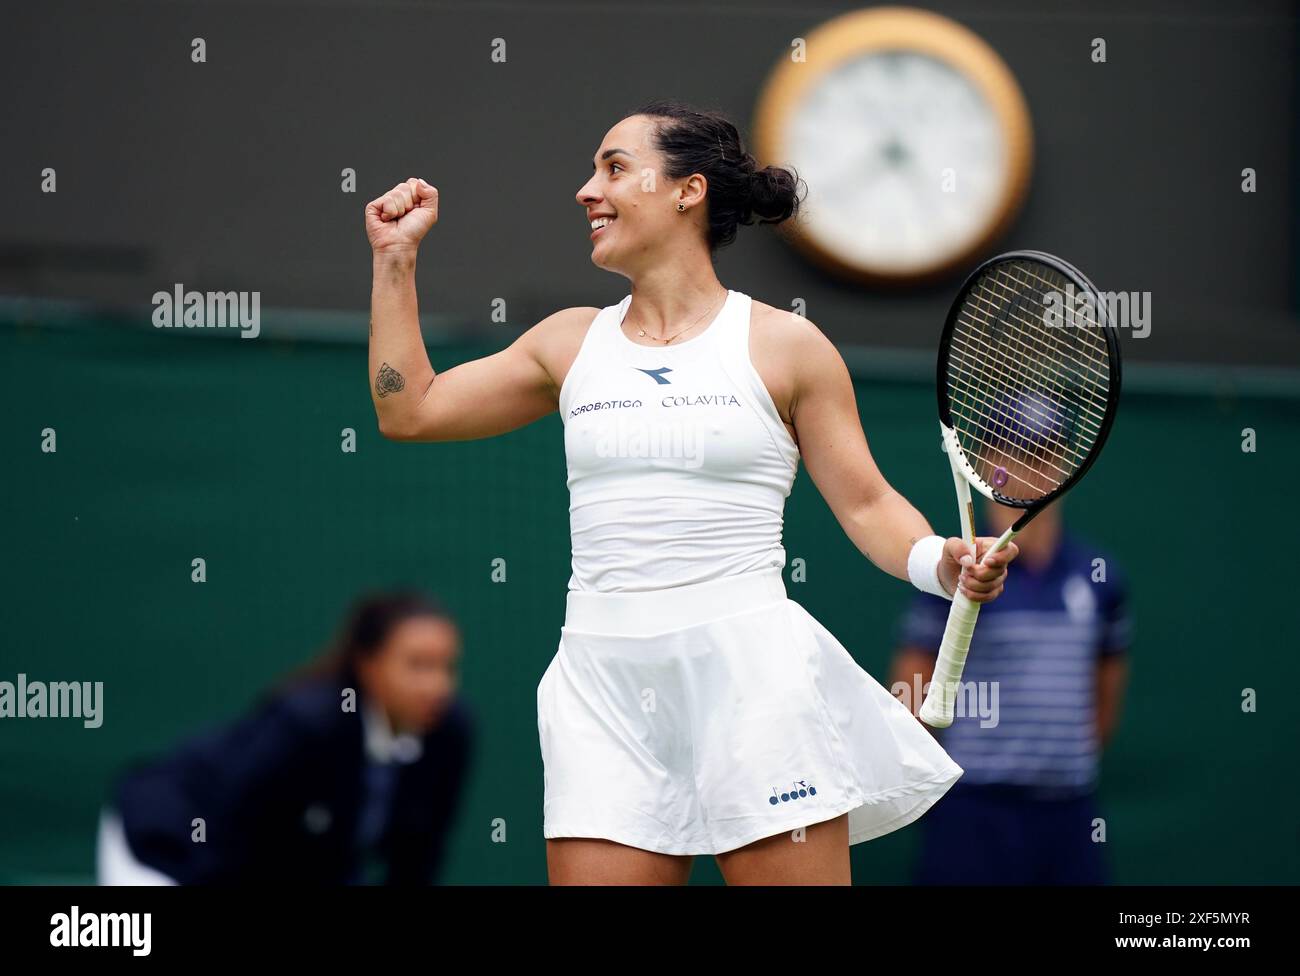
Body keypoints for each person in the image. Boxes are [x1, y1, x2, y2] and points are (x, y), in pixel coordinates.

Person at [364, 99, 1019, 885]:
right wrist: (395, 260)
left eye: (613, 168)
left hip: (755, 684)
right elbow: (409, 410)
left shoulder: (787, 346)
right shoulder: (566, 342)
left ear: (688, 190)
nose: (585, 191)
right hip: (601, 684)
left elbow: (867, 502)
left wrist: (938, 563)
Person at [97, 591, 473, 885]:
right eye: (417, 665)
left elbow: (417, 861)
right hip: (169, 843)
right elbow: (230, 843)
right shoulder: (308, 726)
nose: (437, 685)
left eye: (446, 666)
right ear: (368, 664)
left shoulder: (448, 734)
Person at [890, 498, 1131, 884]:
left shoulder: (1099, 577)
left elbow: (1104, 701)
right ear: (986, 465)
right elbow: (911, 696)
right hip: (971, 813)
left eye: (1045, 452)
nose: (1028, 468)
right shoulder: (952, 575)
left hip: (1069, 813)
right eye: (1013, 450)